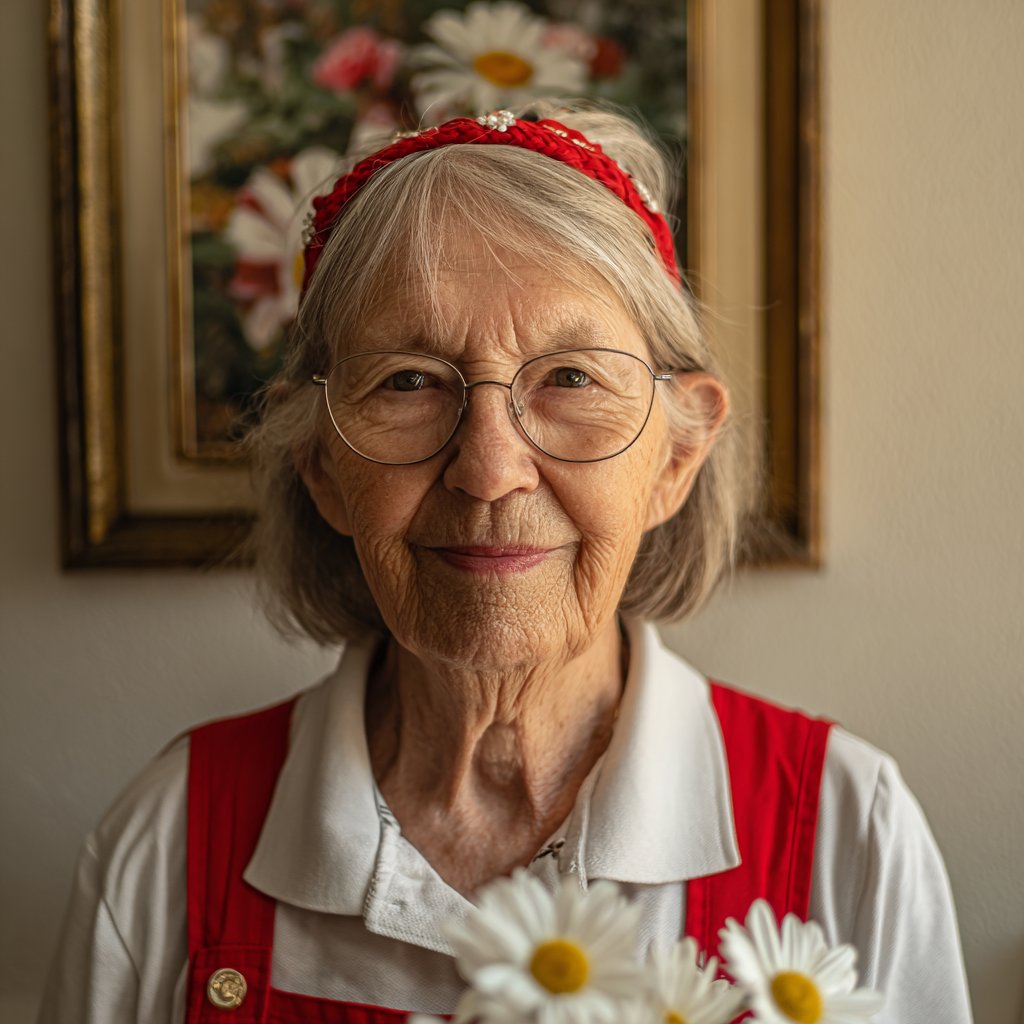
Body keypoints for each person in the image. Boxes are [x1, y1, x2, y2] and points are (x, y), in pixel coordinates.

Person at [39, 103, 973, 1024]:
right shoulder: (169, 838)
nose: (489, 470)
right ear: (321, 465)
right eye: (408, 380)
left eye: (571, 378)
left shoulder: (850, 831)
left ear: (676, 458)